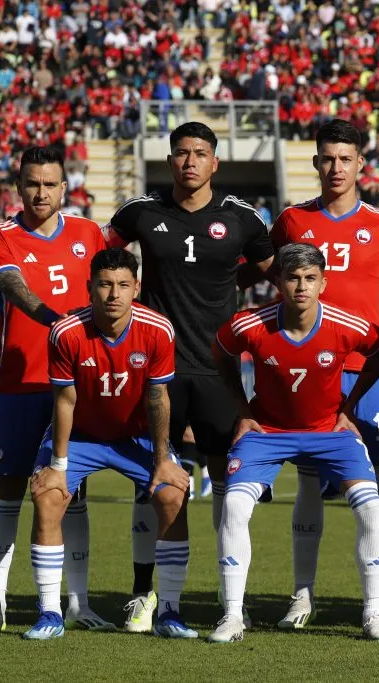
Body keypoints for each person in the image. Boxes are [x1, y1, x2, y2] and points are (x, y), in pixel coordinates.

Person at [104, 121, 275, 631]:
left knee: (229, 486)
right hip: (156, 368)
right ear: (170, 160)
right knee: (151, 482)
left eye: (200, 153)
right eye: (181, 153)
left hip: (218, 369)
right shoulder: (141, 212)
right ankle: (143, 594)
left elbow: (269, 268)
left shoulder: (242, 218)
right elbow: (104, 259)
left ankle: (231, 601)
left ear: (215, 162)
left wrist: (230, 278)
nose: (190, 162)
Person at [206, 243, 379, 643]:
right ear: (278, 283)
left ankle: (372, 614)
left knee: (370, 507)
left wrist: (350, 405)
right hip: (267, 432)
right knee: (235, 505)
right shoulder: (250, 325)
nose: (302, 286)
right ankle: (233, 616)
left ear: (324, 283)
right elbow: (220, 350)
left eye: (310, 278)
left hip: (329, 431)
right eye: (293, 278)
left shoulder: (346, 324)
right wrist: (243, 408)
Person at [269, 119, 379, 630]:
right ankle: (302, 596)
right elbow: (274, 281)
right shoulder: (290, 221)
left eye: (345, 159)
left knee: (373, 481)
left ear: (360, 164)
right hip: (307, 370)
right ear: (315, 162)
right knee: (309, 482)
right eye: (327, 158)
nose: (336, 168)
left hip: (366, 370)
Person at [23, 248, 195, 640]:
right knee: (49, 496)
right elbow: (64, 402)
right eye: (104, 285)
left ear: (136, 288)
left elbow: (158, 398)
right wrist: (59, 466)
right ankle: (49, 613)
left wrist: (163, 458)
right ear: (90, 288)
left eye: (122, 285)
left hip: (136, 436)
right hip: (82, 435)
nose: (113, 294)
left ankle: (169, 611)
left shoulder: (158, 329)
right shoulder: (66, 333)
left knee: (172, 495)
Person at [0, 145, 109, 635]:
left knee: (71, 493)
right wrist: (58, 322)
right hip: (19, 382)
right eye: (32, 183)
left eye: (49, 184)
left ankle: (78, 603)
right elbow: (12, 284)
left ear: (63, 188)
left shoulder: (88, 233)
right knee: (8, 489)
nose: (40, 192)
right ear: (19, 186)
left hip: (72, 386)